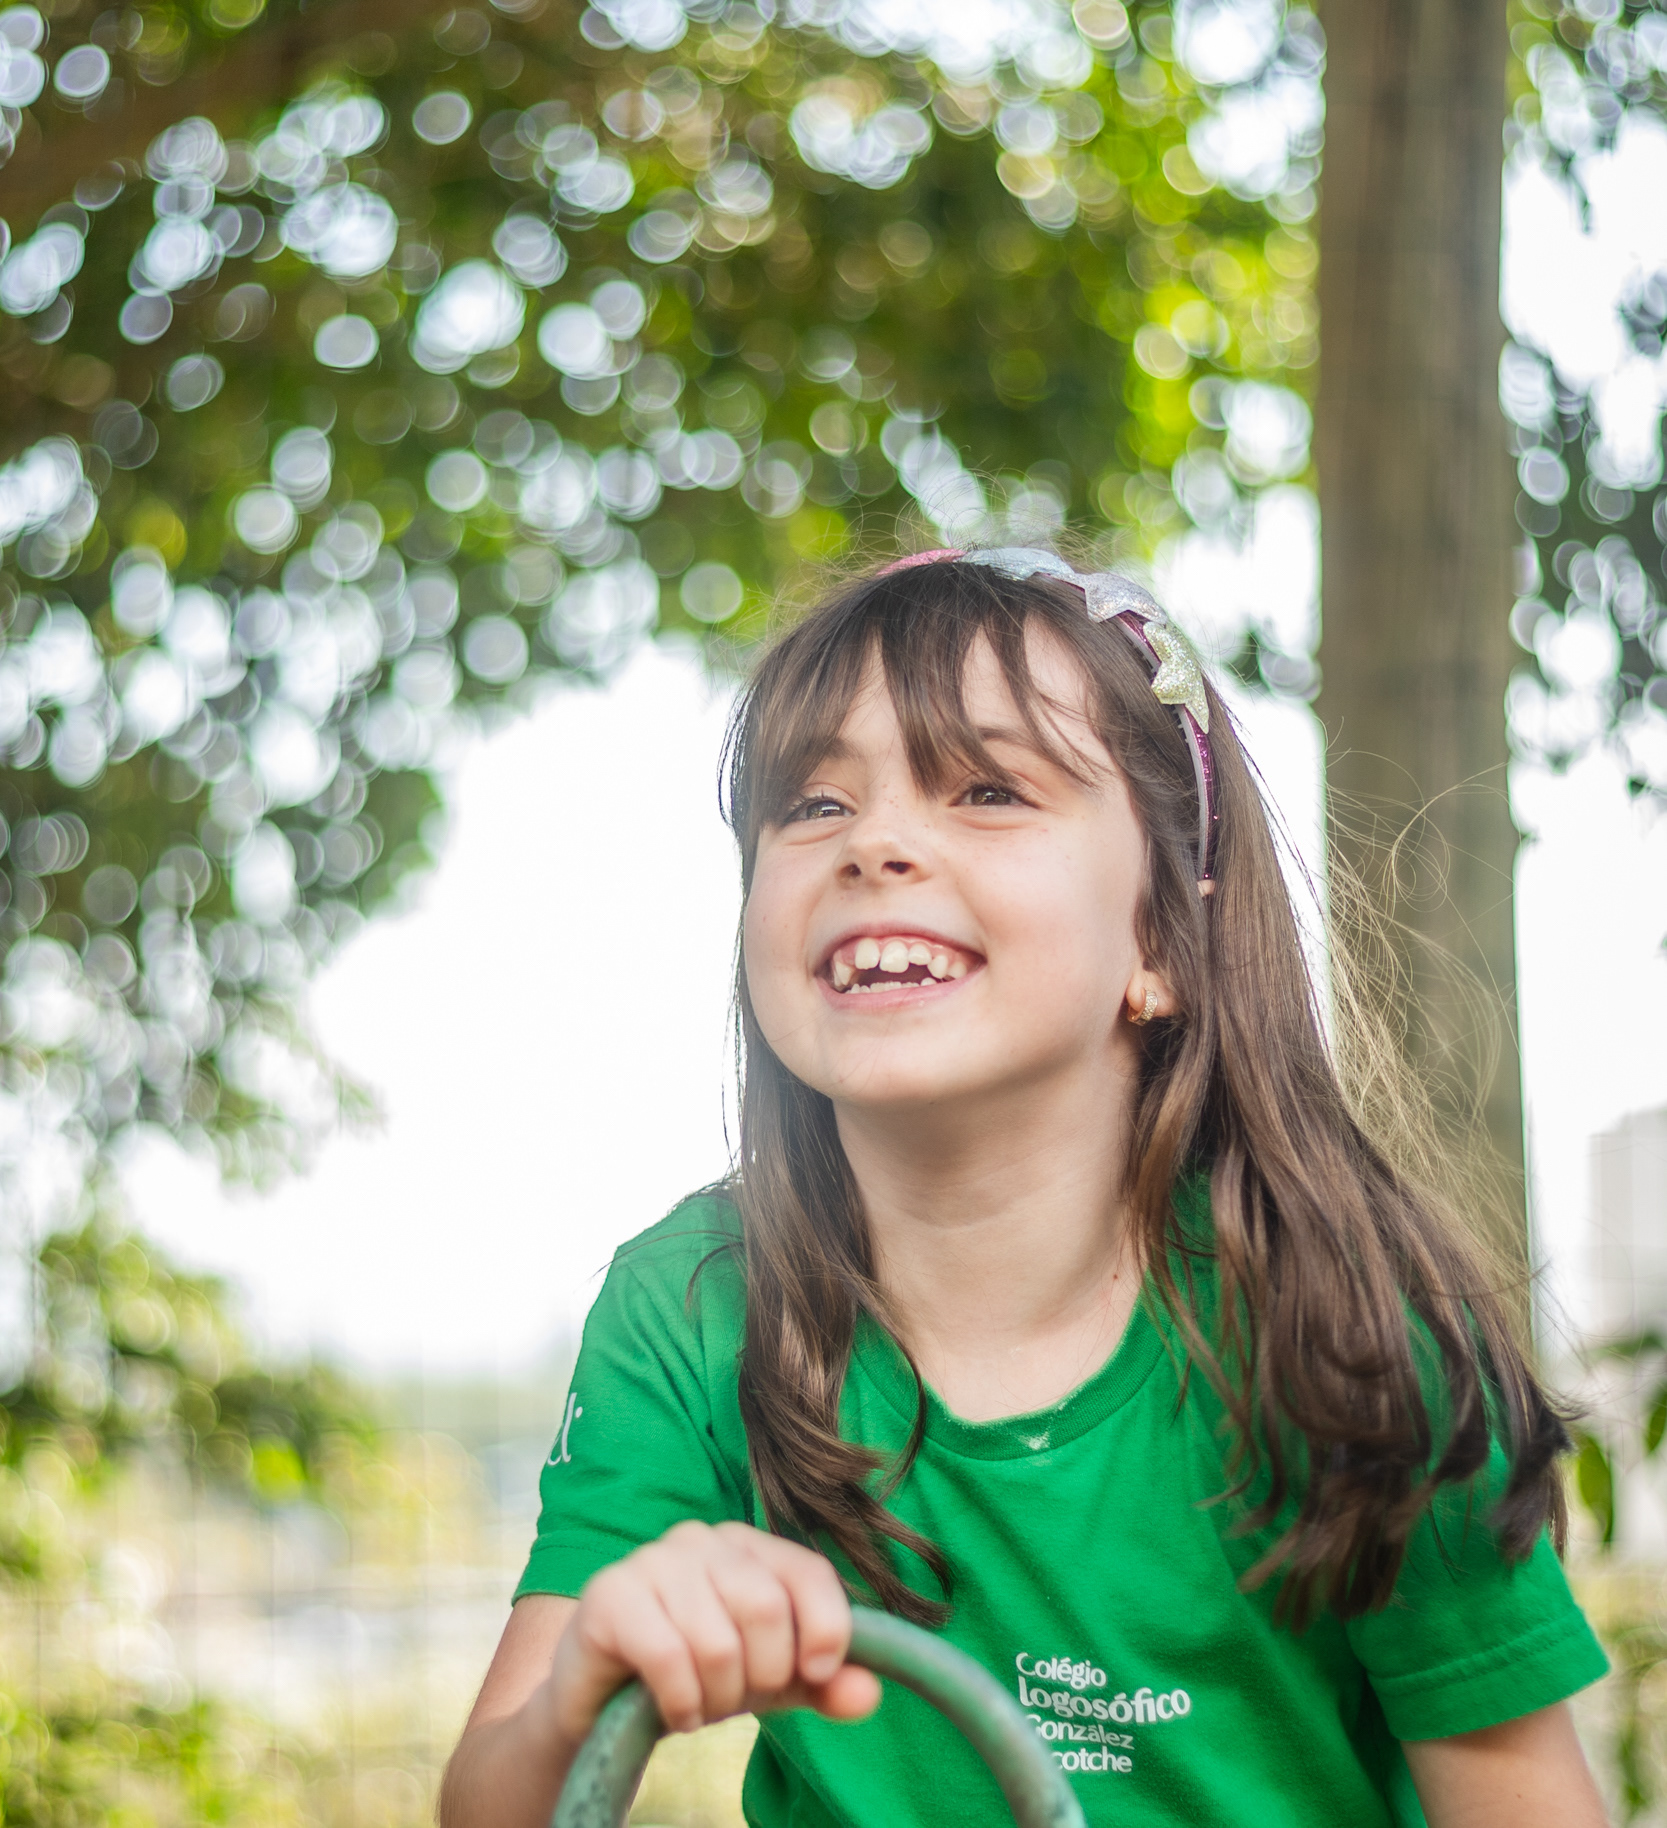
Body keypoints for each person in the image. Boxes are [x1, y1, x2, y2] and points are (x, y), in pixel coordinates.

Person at [442, 549, 1609, 1828]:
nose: (874, 842)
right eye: (812, 803)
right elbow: (492, 1804)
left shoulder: (1347, 1336)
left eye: (987, 788)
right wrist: (581, 1687)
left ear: (1160, 939)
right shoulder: (695, 1303)